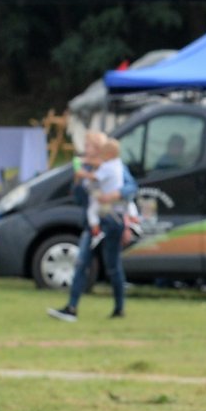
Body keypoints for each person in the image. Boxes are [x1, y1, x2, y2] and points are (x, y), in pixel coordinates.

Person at [48, 132, 136, 322]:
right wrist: (79, 181)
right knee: (81, 263)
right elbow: (80, 198)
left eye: (88, 145)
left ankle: (119, 308)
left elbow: (131, 187)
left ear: (99, 148)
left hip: (111, 220)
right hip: (93, 222)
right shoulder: (87, 167)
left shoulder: (114, 165)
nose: (84, 149)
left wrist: (115, 194)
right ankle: (71, 308)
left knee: (113, 267)